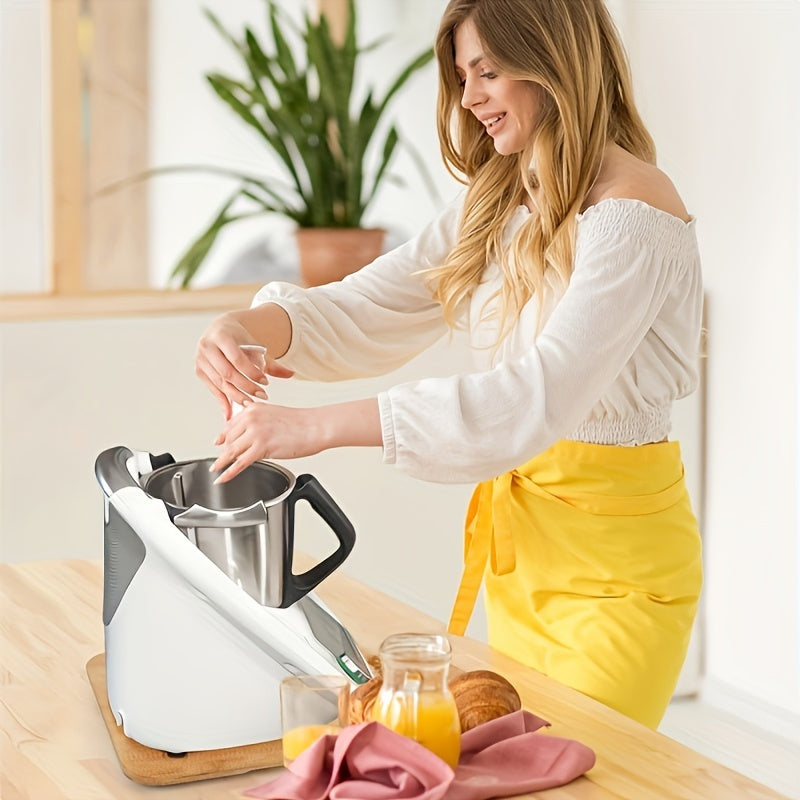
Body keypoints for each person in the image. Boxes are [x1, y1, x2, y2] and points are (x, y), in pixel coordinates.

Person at [195, 0, 703, 730]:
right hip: (525, 556)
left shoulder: (634, 214)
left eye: (488, 73)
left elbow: (533, 397)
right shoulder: (502, 201)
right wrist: (247, 328)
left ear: (553, 63)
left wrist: (313, 428)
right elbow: (372, 302)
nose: (469, 99)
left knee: (586, 765)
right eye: (463, 77)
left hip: (619, 577)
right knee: (519, 764)